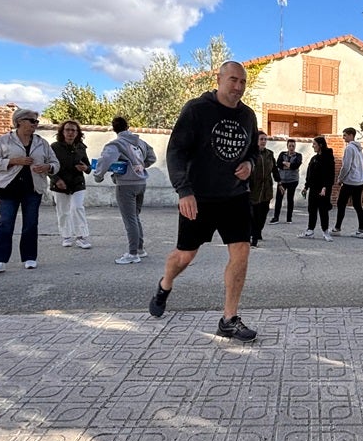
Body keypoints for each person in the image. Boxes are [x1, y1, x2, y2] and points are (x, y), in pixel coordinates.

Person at [147, 61, 260, 341]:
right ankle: (165, 284)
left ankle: (229, 319)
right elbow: (176, 152)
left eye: (243, 82)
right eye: (233, 80)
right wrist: (183, 191)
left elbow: (254, 153)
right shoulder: (197, 110)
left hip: (235, 196)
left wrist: (249, 164)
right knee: (185, 256)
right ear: (219, 79)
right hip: (198, 197)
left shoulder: (248, 116)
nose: (238, 87)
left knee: (241, 253)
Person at [0, 108, 59, 273]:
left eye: (36, 121)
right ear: (19, 121)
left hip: (32, 187)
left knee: (31, 223)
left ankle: (29, 257)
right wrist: (13, 161)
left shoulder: (42, 142)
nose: (35, 124)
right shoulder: (4, 140)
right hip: (8, 187)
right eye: (32, 121)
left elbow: (55, 162)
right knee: (5, 222)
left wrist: (48, 167)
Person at [94, 116, 157, 264]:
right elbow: (152, 157)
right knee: (135, 216)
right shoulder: (140, 142)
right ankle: (140, 249)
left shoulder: (116, 144)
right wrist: (140, 166)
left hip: (126, 184)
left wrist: (98, 175)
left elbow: (106, 160)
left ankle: (133, 253)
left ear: (114, 128)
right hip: (141, 182)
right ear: (127, 126)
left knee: (129, 219)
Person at [49, 119, 92, 249]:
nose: (70, 133)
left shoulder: (81, 147)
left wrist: (85, 168)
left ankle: (81, 237)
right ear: (62, 131)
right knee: (63, 211)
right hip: (60, 184)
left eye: (73, 130)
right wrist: (57, 180)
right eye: (67, 130)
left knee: (77, 207)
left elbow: (88, 166)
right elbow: (49, 167)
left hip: (77, 183)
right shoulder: (54, 147)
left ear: (77, 133)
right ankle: (66, 236)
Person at [332, 127, 363, 238]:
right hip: (360, 181)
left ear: (351, 135)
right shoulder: (359, 149)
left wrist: (340, 178)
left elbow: (346, 166)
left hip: (350, 181)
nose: (343, 137)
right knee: (357, 205)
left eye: (345, 135)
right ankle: (361, 230)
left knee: (341, 204)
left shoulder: (349, 148)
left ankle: (337, 228)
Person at [300, 136, 335, 241]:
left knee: (323, 210)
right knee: (312, 209)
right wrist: (306, 187)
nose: (313, 146)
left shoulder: (328, 158)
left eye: (314, 144)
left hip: (323, 189)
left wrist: (325, 187)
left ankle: (325, 231)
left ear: (320, 145)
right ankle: (310, 230)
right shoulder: (314, 158)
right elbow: (310, 174)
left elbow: (330, 174)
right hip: (313, 188)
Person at [249, 131, 276, 247]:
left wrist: (279, 182)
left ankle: (258, 231)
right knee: (254, 214)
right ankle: (254, 237)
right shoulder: (250, 154)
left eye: (265, 139)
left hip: (266, 188)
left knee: (264, 212)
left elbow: (274, 169)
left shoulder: (270, 154)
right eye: (261, 139)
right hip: (254, 187)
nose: (264, 141)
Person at [270, 138, 302, 223]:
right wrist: (290, 165)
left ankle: (289, 218)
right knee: (279, 199)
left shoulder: (298, 155)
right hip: (282, 180)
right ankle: (276, 217)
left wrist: (286, 164)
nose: (291, 147)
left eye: (293, 146)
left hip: (293, 180)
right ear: (287, 146)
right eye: (290, 146)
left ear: (295, 146)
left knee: (290, 199)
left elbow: (296, 165)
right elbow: (278, 164)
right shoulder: (282, 154)